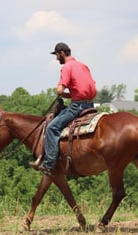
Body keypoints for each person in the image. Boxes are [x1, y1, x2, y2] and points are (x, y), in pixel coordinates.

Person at [38, 42, 97, 177]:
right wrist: (71, 94)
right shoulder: (83, 65)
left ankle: (49, 163)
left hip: (77, 106)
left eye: (57, 55)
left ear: (62, 53)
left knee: (51, 127)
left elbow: (59, 89)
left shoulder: (67, 67)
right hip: (90, 105)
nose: (56, 58)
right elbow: (89, 89)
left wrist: (60, 92)